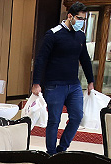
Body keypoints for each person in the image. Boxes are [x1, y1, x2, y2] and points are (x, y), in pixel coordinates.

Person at [31, 1, 94, 155]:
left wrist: (91, 81)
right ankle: (51, 153)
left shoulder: (80, 36)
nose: (81, 22)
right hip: (54, 85)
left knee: (77, 116)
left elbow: (85, 59)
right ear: (70, 16)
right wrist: (36, 83)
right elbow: (41, 59)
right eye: (79, 18)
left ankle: (62, 149)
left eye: (84, 19)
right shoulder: (53, 34)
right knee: (54, 120)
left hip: (74, 85)